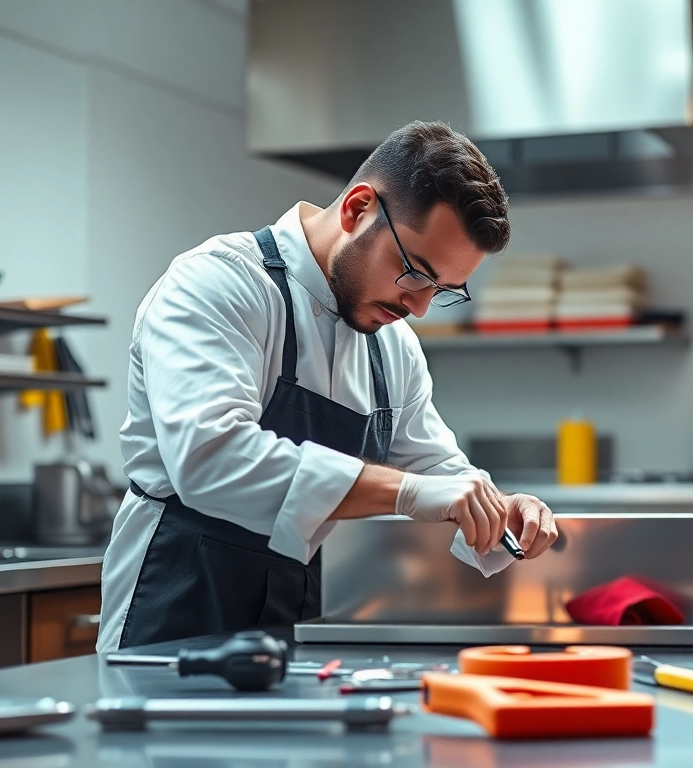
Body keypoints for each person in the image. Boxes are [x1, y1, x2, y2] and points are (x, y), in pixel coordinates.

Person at [97, 121, 558, 652]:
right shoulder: (218, 284)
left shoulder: (393, 346)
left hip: (306, 625)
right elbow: (210, 458)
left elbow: (436, 469)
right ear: (357, 209)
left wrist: (498, 509)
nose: (420, 306)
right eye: (414, 271)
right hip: (179, 611)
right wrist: (407, 493)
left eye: (443, 290)